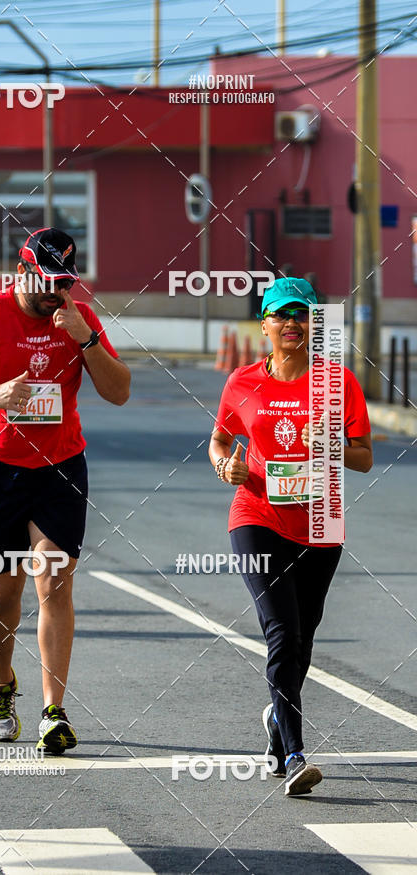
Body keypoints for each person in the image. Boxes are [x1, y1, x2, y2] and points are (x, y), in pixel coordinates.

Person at [0, 227, 131, 752]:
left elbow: (119, 392)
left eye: (64, 283)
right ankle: (1, 683)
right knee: (5, 590)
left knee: (54, 582)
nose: (54, 294)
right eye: (46, 281)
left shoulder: (77, 318)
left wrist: (84, 337)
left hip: (61, 467)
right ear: (21, 271)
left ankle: (54, 712)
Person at [209, 277, 372, 796]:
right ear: (265, 325)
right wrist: (225, 467)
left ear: (312, 324)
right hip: (256, 515)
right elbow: (220, 440)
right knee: (281, 631)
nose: (292, 325)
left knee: (303, 640)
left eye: (301, 316)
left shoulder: (338, 382)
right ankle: (297, 756)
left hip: (321, 521)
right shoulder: (242, 382)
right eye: (282, 316)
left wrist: (330, 447)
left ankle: (278, 725)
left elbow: (364, 457)